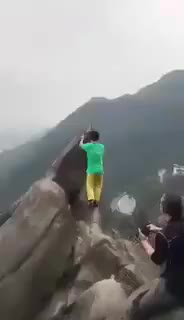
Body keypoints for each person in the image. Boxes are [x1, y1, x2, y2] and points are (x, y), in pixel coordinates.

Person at [128, 193, 184, 320]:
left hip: (172, 290)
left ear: (164, 209)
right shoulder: (167, 232)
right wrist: (157, 229)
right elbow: (176, 233)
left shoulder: (163, 236)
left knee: (137, 308)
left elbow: (157, 259)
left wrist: (143, 241)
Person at [79, 130, 104, 207]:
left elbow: (81, 145)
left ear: (90, 138)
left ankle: (91, 200)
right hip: (100, 170)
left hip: (91, 170)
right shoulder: (101, 146)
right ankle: (96, 201)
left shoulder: (89, 146)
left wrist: (82, 138)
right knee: (98, 186)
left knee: (90, 186)